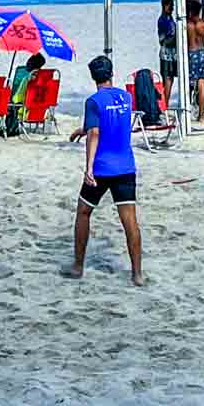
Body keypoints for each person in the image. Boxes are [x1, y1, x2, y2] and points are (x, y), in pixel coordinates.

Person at [67, 55, 144, 284]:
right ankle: (137, 274)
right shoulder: (126, 97)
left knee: (83, 212)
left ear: (93, 77)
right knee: (129, 220)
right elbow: (110, 122)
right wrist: (83, 129)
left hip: (101, 167)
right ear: (111, 73)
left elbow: (96, 133)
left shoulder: (93, 101)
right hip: (125, 166)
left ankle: (78, 267)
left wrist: (89, 168)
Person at [186, 0, 204, 120]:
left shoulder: (187, 25)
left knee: (188, 83)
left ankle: (187, 111)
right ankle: (201, 115)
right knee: (202, 83)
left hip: (191, 54)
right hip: (202, 53)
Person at [157, 0, 180, 89]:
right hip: (166, 54)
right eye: (171, 6)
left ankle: (166, 98)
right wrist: (176, 37)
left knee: (170, 78)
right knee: (167, 78)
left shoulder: (170, 18)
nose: (172, 8)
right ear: (165, 6)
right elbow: (163, 41)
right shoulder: (163, 20)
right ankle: (165, 98)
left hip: (172, 54)